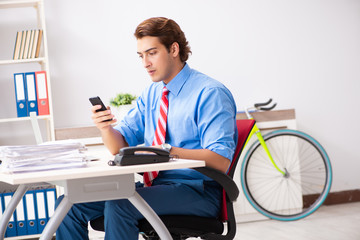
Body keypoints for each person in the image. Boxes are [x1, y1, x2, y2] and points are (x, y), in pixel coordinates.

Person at [55, 17, 237, 240]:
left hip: (197, 191)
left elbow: (220, 160)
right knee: (69, 203)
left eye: (152, 53)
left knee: (121, 205)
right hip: (158, 186)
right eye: (141, 56)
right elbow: (118, 146)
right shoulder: (153, 94)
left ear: (173, 49)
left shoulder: (210, 93)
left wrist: (166, 152)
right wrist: (105, 127)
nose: (145, 63)